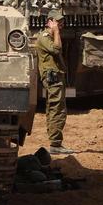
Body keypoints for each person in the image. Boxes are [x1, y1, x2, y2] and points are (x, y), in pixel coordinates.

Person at [34, 9, 74, 155]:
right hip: (53, 78)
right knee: (56, 110)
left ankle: (56, 142)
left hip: (56, 77)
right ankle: (55, 144)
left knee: (57, 109)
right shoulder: (45, 37)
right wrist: (56, 31)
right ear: (49, 22)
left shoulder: (50, 37)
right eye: (57, 21)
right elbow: (57, 50)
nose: (61, 24)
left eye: (62, 21)